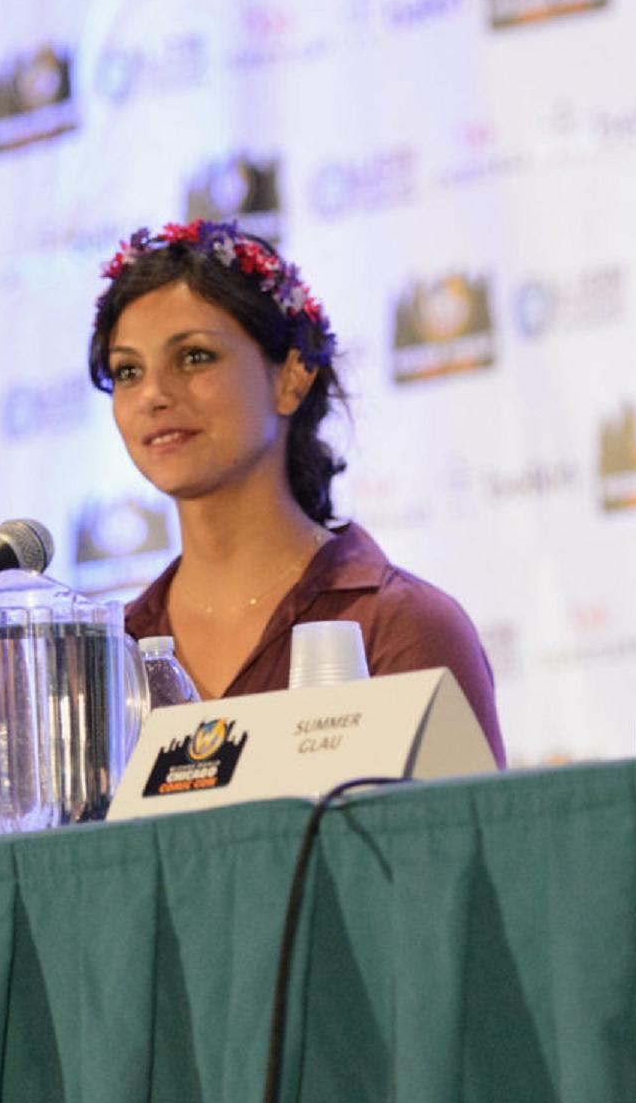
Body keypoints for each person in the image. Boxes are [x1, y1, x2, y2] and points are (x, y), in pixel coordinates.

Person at [87, 219, 508, 765]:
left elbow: (456, 844)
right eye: (127, 371)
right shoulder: (109, 657)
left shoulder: (399, 626)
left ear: (293, 377)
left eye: (193, 356)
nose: (153, 395)